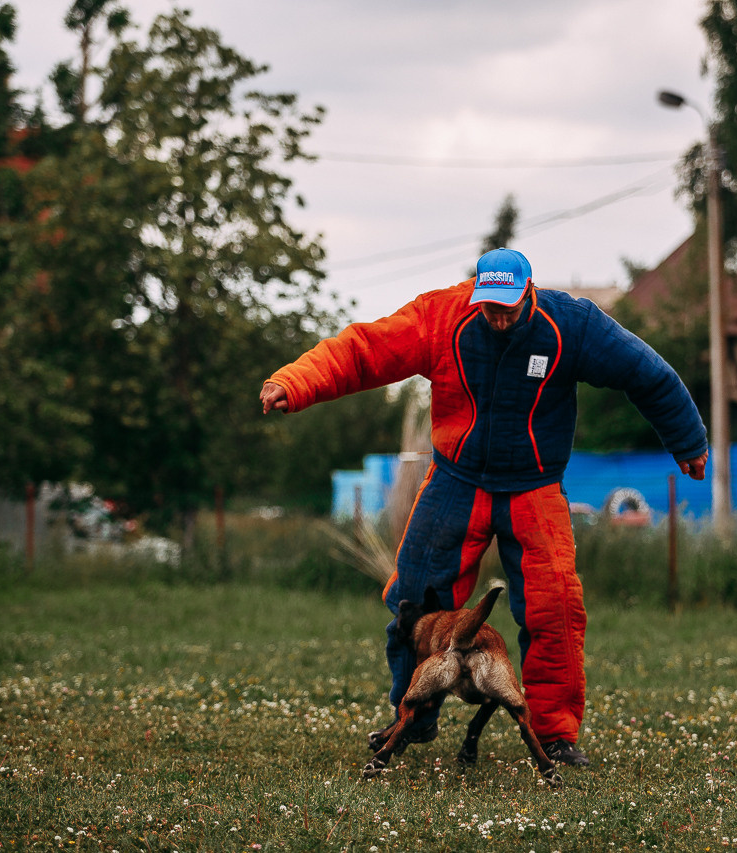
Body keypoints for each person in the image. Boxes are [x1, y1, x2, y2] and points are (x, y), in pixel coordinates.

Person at [261, 247, 708, 766]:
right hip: (457, 479)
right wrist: (294, 382)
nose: (497, 316)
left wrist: (688, 441)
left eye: (507, 307)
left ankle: (556, 735)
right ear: (476, 293)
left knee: (556, 608)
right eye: (488, 304)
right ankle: (413, 716)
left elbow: (646, 373)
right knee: (413, 602)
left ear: (529, 293)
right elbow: (367, 350)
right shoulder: (442, 317)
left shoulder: (572, 325)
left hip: (535, 488)